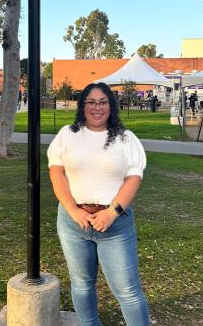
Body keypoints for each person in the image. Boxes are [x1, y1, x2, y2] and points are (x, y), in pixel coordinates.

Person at [47, 82, 150, 326]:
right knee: (82, 284)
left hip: (114, 225)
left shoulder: (126, 139)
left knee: (127, 291)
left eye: (103, 102)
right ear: (82, 106)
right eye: (90, 102)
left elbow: (134, 178)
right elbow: (56, 173)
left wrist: (112, 213)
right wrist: (73, 210)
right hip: (74, 224)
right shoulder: (67, 135)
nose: (97, 107)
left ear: (111, 106)